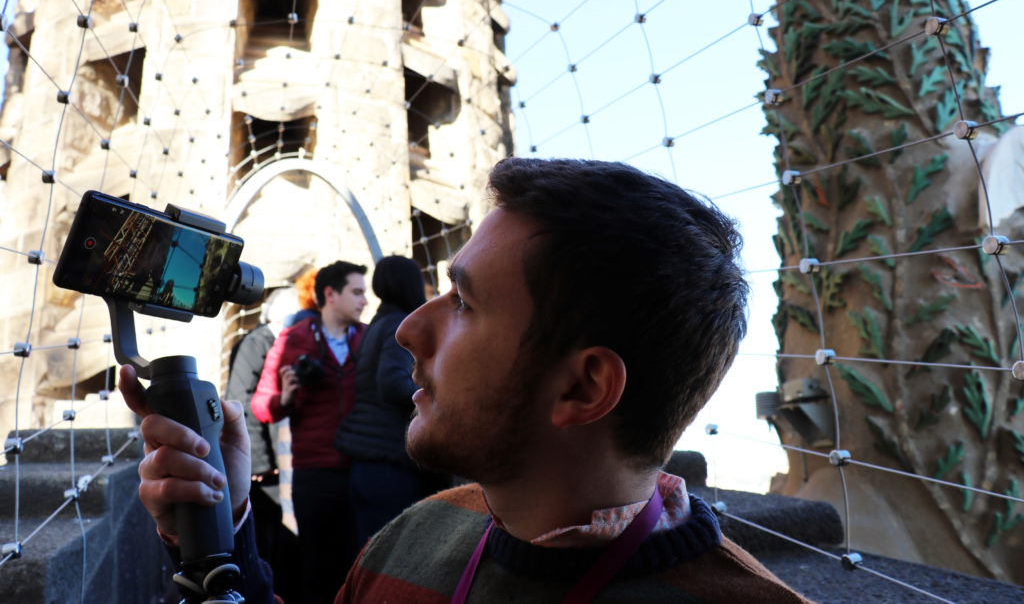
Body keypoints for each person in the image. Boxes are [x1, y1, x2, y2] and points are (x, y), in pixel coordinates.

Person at [119, 158, 811, 603]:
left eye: (465, 305)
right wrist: (225, 531)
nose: (411, 330)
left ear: (582, 387)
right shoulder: (418, 531)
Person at [251, 260, 368, 603]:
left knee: (360, 564)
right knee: (317, 567)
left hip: (360, 469)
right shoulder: (293, 339)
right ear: (330, 295)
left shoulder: (367, 337)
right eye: (357, 292)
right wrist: (285, 398)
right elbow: (261, 405)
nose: (364, 301)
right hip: (313, 473)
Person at [335, 255, 432, 547]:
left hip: (366, 459)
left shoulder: (378, 323)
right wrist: (431, 397)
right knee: (392, 557)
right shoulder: (397, 325)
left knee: (369, 554)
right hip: (388, 460)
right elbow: (390, 382)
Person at [224, 286, 299, 603]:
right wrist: (260, 466)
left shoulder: (268, 342)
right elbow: (242, 404)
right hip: (263, 468)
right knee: (266, 539)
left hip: (272, 463)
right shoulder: (258, 343)